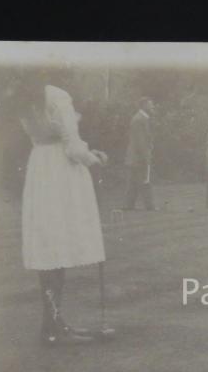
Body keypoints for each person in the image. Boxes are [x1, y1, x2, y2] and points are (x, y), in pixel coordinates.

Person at [16, 77, 109, 345]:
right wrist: (95, 158)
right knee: (57, 246)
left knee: (50, 248)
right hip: (60, 171)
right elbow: (72, 145)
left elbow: (45, 136)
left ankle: (52, 324)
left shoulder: (21, 99)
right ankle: (54, 325)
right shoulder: (56, 95)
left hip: (40, 167)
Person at [124, 97, 156, 210]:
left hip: (134, 157)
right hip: (137, 157)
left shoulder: (141, 118)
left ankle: (128, 206)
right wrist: (146, 157)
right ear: (144, 106)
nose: (153, 107)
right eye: (151, 104)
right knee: (145, 180)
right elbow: (140, 141)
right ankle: (150, 206)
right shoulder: (139, 119)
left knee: (133, 182)